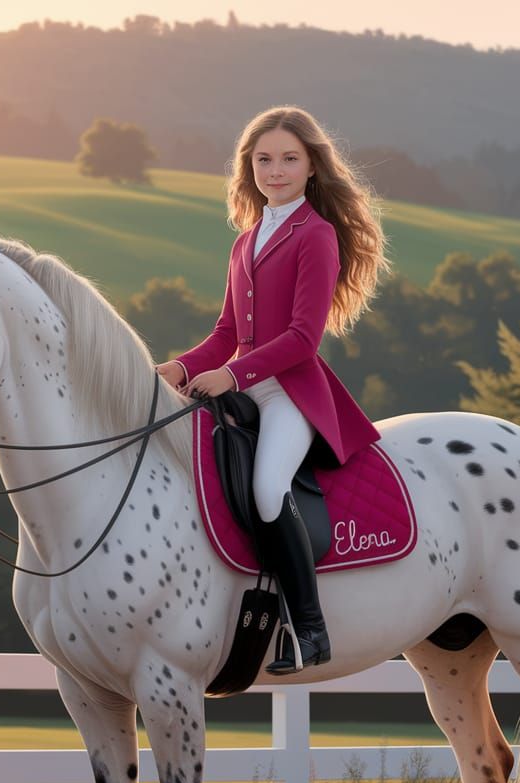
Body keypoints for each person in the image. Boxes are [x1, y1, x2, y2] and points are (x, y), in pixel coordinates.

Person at [155, 106, 389, 674]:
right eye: (264, 159)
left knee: (266, 488)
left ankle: (309, 627)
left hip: (291, 394)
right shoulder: (244, 243)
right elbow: (225, 335)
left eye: (288, 159)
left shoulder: (318, 235)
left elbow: (303, 338)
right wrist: (178, 371)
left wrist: (233, 374)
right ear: (249, 167)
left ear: (311, 167)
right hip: (244, 391)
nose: (275, 170)